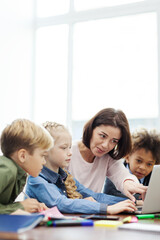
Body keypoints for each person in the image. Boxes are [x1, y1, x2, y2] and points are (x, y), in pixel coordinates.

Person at [25, 121, 138, 215]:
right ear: (46, 150)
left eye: (70, 147)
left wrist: (131, 203)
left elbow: (94, 196)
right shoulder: (36, 179)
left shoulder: (65, 175)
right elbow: (62, 203)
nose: (70, 153)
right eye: (64, 148)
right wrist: (107, 209)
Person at [68, 108, 147, 202]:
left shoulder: (107, 158)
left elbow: (122, 174)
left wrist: (128, 183)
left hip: (93, 213)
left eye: (114, 141)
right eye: (102, 136)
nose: (105, 145)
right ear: (91, 129)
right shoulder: (68, 151)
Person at [0, 119, 53, 214]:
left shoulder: (18, 173)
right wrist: (20, 207)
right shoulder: (7, 170)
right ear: (23, 156)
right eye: (42, 155)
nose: (44, 162)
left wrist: (30, 206)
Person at [103, 128, 160, 198]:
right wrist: (137, 202)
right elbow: (109, 195)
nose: (142, 167)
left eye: (149, 164)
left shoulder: (154, 177)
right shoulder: (115, 171)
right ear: (127, 157)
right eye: (139, 161)